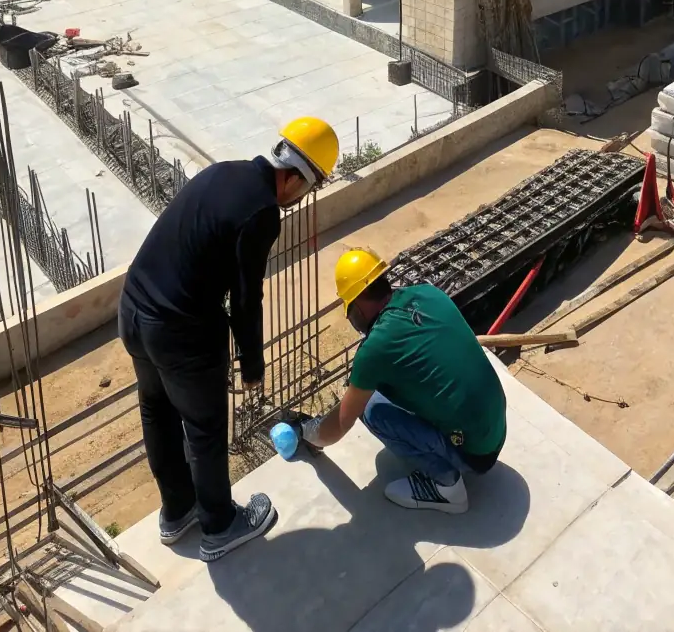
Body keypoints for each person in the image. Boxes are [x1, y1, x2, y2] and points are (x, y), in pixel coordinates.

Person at [118, 116, 338, 561]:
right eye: (309, 187)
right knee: (204, 428)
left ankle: (177, 509)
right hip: (181, 330)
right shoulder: (262, 212)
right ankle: (219, 524)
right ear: (294, 176)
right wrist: (253, 367)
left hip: (134, 311)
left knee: (157, 411)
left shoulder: (226, 171)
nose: (303, 198)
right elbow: (245, 297)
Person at [297, 247, 506, 514]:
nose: (350, 316)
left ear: (359, 303)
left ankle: (446, 488)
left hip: (476, 455)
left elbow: (337, 428)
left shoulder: (376, 349)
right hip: (496, 428)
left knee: (371, 408)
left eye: (348, 307)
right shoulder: (429, 293)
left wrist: (307, 431)